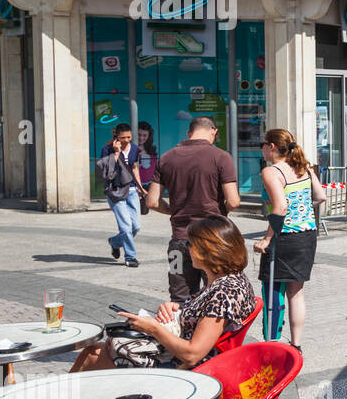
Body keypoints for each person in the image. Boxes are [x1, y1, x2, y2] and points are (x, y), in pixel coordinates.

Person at [72, 216, 256, 371]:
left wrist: (153, 328)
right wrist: (177, 310)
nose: (187, 248)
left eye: (190, 244)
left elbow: (193, 354)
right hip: (183, 358)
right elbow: (204, 317)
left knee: (94, 356)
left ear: (207, 251)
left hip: (188, 369)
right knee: (94, 351)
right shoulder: (228, 280)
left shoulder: (224, 292)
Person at [146, 116, 241, 302]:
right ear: (213, 131)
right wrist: (222, 211)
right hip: (213, 239)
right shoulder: (221, 157)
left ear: (189, 133)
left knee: (178, 298)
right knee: (217, 295)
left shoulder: (166, 158)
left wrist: (173, 210)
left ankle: (180, 330)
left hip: (178, 241)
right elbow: (234, 201)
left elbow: (152, 201)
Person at [254, 129, 324, 348]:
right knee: (296, 293)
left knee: (273, 290)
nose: (262, 149)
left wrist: (266, 239)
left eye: (262, 144)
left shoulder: (271, 172)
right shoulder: (304, 167)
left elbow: (280, 206)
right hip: (307, 235)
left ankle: (272, 343)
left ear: (272, 147)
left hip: (284, 237)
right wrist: (301, 211)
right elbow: (320, 196)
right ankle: (296, 345)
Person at [97, 122, 145, 268]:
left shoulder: (135, 149)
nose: (126, 140)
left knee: (135, 226)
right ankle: (130, 256)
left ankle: (115, 242)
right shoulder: (107, 149)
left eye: (129, 137)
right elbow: (107, 172)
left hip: (131, 191)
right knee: (125, 227)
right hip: (115, 191)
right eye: (123, 137)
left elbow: (134, 168)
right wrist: (116, 153)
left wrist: (140, 187)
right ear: (116, 136)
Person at [135, 121, 158, 187]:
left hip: (150, 185)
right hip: (136, 186)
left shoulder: (152, 150)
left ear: (149, 136)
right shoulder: (130, 149)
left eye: (144, 135)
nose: (141, 138)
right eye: (139, 134)